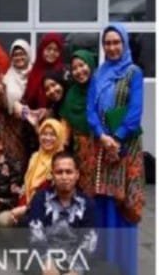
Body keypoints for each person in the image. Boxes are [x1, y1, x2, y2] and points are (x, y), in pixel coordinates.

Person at [87, 23, 145, 275]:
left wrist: (117, 138)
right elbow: (91, 110)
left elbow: (135, 111)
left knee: (123, 204)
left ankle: (124, 265)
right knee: (103, 202)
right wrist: (102, 136)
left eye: (116, 42)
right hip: (101, 148)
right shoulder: (99, 74)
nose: (111, 48)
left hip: (126, 149)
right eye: (107, 43)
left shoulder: (134, 73)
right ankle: (103, 264)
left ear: (124, 44)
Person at [27, 152, 119, 275]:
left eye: (69, 172)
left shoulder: (88, 203)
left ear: (77, 175)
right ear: (52, 175)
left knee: (111, 270)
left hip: (74, 258)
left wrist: (76, 270)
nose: (64, 177)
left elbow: (89, 240)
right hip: (46, 258)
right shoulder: (40, 198)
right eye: (59, 172)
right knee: (28, 262)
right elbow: (35, 234)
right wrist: (47, 262)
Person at [6, 119, 68, 226]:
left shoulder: (62, 162)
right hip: (27, 204)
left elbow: (51, 194)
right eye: (44, 134)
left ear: (60, 137)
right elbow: (27, 188)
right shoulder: (35, 158)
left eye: (52, 135)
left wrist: (26, 209)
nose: (47, 138)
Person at [59, 50, 97, 195]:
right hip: (80, 150)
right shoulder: (72, 93)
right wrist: (62, 146)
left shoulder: (101, 89)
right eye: (74, 68)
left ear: (90, 64)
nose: (79, 71)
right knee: (83, 187)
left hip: (100, 147)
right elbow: (66, 122)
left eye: (82, 65)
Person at [0, 39, 37, 169]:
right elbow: (4, 105)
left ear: (28, 54)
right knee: (17, 162)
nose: (19, 57)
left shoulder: (36, 74)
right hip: (15, 127)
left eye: (22, 54)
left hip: (35, 125)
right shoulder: (7, 77)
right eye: (15, 55)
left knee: (35, 161)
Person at [23, 33, 65, 112]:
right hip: (33, 117)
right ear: (42, 50)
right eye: (48, 49)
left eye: (56, 50)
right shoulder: (33, 73)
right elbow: (27, 99)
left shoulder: (63, 73)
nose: (52, 52)